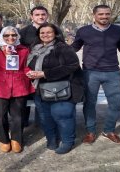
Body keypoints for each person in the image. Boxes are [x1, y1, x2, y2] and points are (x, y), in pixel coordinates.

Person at [71, 5, 120, 145]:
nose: (104, 17)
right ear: (94, 15)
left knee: (115, 104)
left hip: (112, 72)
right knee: (89, 103)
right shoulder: (84, 31)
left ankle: (109, 130)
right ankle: (90, 131)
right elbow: (74, 48)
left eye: (107, 14)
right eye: (101, 14)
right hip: (90, 72)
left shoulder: (118, 30)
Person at [27, 23, 83, 154]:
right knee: (46, 117)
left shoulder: (63, 48)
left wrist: (45, 73)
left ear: (55, 33)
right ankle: (51, 139)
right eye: (42, 33)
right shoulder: (35, 49)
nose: (45, 35)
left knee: (62, 116)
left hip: (62, 89)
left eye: (49, 32)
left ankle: (68, 141)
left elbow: (73, 65)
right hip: (40, 90)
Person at [0, 26, 35, 153]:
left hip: (18, 86)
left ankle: (17, 139)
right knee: (0, 116)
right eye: (7, 36)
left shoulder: (23, 50)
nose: (10, 38)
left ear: (17, 37)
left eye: (13, 35)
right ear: (2, 37)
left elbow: (26, 67)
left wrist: (30, 73)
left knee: (18, 116)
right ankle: (4, 139)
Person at [20, 6, 63, 126]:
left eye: (43, 14)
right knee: (25, 99)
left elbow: (61, 48)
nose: (40, 17)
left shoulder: (55, 30)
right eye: (37, 14)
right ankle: (24, 123)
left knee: (43, 99)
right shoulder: (23, 32)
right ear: (31, 16)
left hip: (47, 72)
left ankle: (42, 124)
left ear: (47, 15)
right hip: (28, 72)